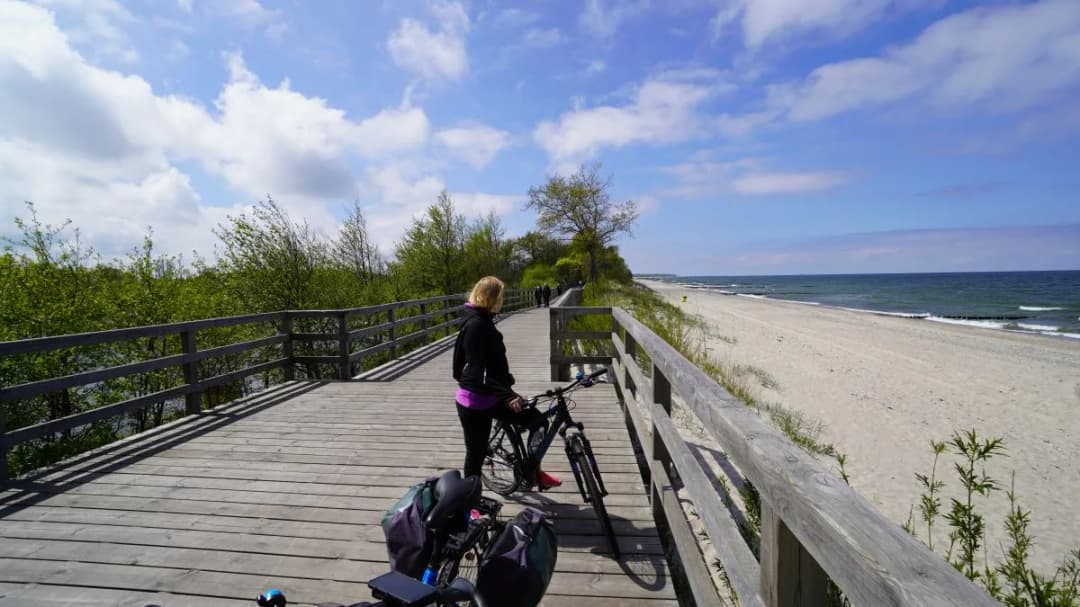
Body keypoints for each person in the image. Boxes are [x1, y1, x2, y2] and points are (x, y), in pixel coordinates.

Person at [453, 276, 562, 489]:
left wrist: (503, 387)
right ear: (493, 298)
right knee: (476, 453)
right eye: (500, 295)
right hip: (474, 403)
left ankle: (533, 470)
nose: (502, 300)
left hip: (493, 395)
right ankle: (470, 506)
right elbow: (477, 371)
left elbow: (459, 368)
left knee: (538, 422)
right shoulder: (476, 326)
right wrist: (507, 394)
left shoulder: (481, 321)